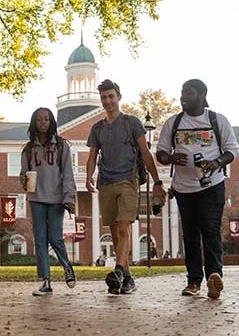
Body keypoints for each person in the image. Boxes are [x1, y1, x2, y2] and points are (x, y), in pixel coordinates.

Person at [156, 79, 239, 298]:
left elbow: (232, 150)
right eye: (182, 93)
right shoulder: (173, 123)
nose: (183, 97)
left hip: (212, 185)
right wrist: (171, 157)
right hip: (183, 188)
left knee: (210, 231)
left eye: (189, 93)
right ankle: (193, 282)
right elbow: (161, 153)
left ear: (201, 95)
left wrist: (217, 163)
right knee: (190, 235)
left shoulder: (217, 120)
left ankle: (214, 276)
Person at [86, 79, 166, 295]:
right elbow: (92, 155)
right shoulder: (97, 128)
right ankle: (127, 279)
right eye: (104, 97)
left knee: (124, 229)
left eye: (111, 96)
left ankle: (119, 270)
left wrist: (157, 182)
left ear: (119, 97)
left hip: (128, 181)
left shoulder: (132, 123)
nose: (108, 101)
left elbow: (146, 154)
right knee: (115, 233)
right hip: (106, 183)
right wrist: (88, 176)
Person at [20, 107, 77, 296]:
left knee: (55, 237)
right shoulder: (28, 149)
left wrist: (69, 198)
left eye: (46, 119)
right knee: (40, 240)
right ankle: (46, 281)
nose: (43, 122)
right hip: (36, 198)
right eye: (39, 119)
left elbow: (68, 174)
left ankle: (67, 267)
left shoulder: (61, 146)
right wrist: (25, 181)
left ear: (51, 121)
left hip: (56, 199)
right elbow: (23, 175)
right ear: (34, 122)